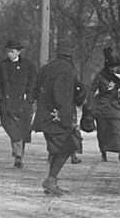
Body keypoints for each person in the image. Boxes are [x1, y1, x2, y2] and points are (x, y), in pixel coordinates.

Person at [32, 41, 82, 196]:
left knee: (57, 149)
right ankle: (51, 180)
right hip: (57, 116)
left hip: (45, 115)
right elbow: (62, 96)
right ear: (70, 55)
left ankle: (51, 181)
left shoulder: (46, 68)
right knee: (69, 146)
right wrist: (65, 117)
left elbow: (35, 91)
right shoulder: (68, 70)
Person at [0, 38, 38, 168]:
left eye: (12, 51)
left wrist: (30, 97)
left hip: (23, 102)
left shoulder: (28, 65)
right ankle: (17, 148)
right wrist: (0, 99)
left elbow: (33, 82)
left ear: (18, 52)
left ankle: (19, 155)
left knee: (22, 129)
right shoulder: (1, 66)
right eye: (7, 51)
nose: (9, 54)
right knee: (10, 126)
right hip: (7, 103)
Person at [91, 47, 120, 162]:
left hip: (115, 107)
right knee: (103, 131)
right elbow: (92, 90)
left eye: (115, 66)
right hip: (102, 107)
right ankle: (103, 152)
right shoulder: (100, 76)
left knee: (119, 129)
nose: (114, 69)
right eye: (111, 66)